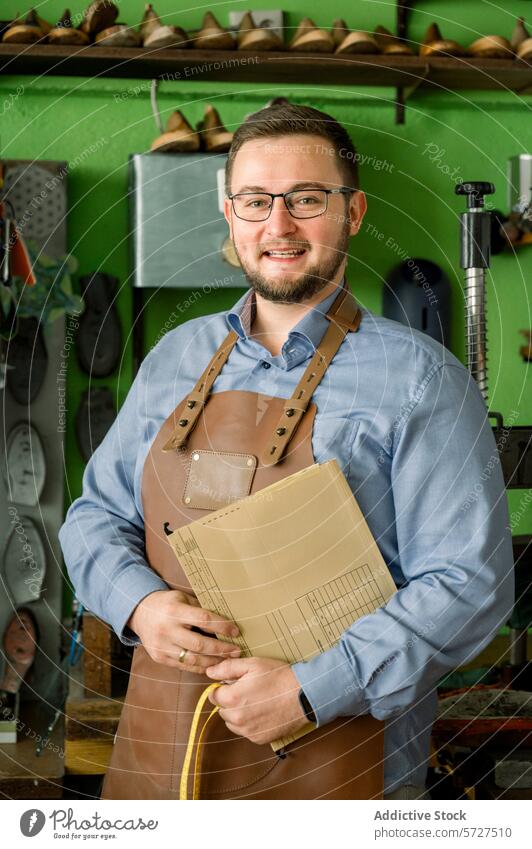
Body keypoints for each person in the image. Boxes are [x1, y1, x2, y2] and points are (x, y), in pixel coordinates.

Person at [59, 103, 514, 800]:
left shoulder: (422, 379)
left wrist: (311, 688)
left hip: (340, 761)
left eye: (307, 199)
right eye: (256, 200)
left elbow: (468, 582)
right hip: (166, 752)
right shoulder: (174, 359)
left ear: (353, 212)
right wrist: (142, 606)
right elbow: (94, 517)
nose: (278, 226)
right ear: (228, 210)